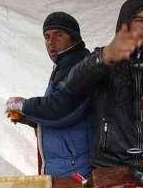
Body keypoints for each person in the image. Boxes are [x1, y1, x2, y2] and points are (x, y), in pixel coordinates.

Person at [7, 0, 143, 168]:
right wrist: (104, 57)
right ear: (125, 25)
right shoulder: (106, 58)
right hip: (111, 165)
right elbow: (73, 85)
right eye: (139, 21)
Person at [12, 12, 92, 177]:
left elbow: (60, 110)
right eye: (47, 36)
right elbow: (65, 109)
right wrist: (30, 119)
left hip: (73, 166)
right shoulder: (64, 65)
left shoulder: (78, 66)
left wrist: (24, 105)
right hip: (65, 163)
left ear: (74, 38)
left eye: (59, 35)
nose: (51, 42)